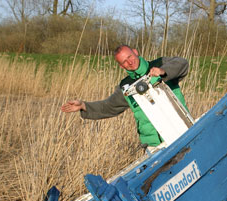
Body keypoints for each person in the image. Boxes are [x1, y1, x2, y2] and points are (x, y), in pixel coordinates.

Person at [61, 45, 189, 148]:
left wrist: (163, 72)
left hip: (182, 132)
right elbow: (109, 107)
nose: (130, 62)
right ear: (121, 66)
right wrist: (84, 106)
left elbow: (182, 63)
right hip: (154, 145)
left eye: (130, 56)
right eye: (124, 62)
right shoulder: (126, 87)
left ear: (135, 52)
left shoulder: (161, 63)